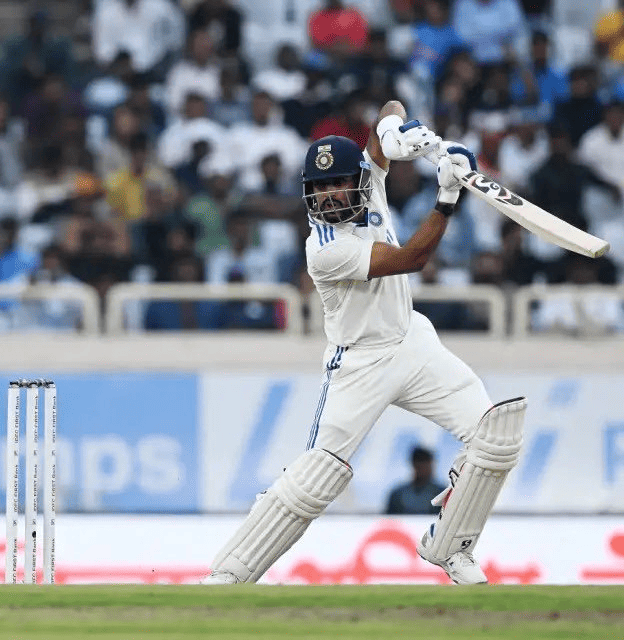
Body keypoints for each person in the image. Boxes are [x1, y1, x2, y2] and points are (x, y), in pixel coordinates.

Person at [202, 101, 527, 586]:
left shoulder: (370, 179)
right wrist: (446, 196)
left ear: (358, 179)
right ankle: (230, 572)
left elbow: (386, 115)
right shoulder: (324, 248)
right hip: (359, 363)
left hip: (412, 342)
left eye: (337, 183)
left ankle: (451, 546)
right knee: (316, 477)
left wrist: (395, 130)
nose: (330, 196)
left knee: (495, 437)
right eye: (320, 188)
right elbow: (411, 258)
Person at [385, 446, 446, 515]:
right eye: (420, 463)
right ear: (414, 465)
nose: (423, 468)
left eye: (426, 463)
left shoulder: (442, 493)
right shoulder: (398, 495)